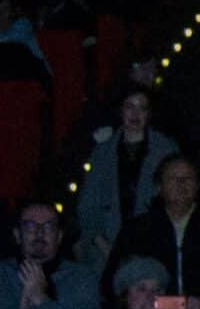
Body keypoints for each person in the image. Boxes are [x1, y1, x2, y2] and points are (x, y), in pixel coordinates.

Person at [113, 154, 200, 309]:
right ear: (159, 187)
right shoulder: (137, 230)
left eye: (188, 178)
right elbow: (118, 284)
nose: (181, 183)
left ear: (198, 186)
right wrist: (172, 306)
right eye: (173, 178)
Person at [74, 88, 178, 269]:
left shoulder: (166, 150)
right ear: (120, 110)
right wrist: (106, 247)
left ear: (149, 113)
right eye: (130, 107)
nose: (135, 114)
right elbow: (88, 204)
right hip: (106, 246)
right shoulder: (102, 152)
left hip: (153, 247)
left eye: (142, 108)